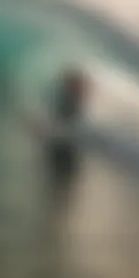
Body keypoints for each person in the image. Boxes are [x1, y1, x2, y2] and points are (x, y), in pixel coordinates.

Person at [45, 68, 90, 205]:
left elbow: (65, 122)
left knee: (63, 182)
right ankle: (57, 205)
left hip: (65, 147)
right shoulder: (69, 100)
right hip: (61, 147)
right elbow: (60, 121)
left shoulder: (72, 101)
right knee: (60, 182)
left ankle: (58, 206)